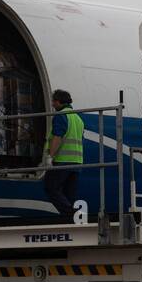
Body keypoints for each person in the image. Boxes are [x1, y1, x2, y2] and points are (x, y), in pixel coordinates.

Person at [44, 89, 84, 220]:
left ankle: (71, 214)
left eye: (53, 102)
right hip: (77, 162)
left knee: (51, 187)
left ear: (59, 101)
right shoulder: (78, 118)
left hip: (63, 160)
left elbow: (57, 137)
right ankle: (70, 219)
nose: (52, 105)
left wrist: (50, 156)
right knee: (68, 194)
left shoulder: (61, 115)